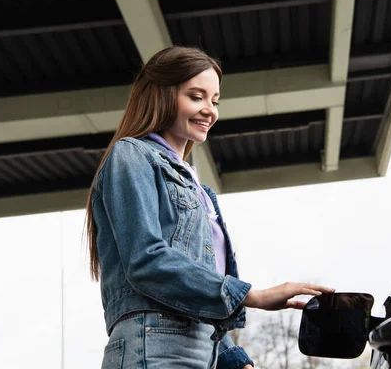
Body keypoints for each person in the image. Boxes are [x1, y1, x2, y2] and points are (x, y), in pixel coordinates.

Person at [85, 46, 334, 369]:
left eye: (214, 101)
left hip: (203, 354)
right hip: (151, 350)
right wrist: (252, 295)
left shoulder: (202, 193)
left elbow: (199, 294)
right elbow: (146, 259)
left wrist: (239, 362)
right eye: (196, 96)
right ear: (161, 95)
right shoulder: (132, 155)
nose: (209, 110)